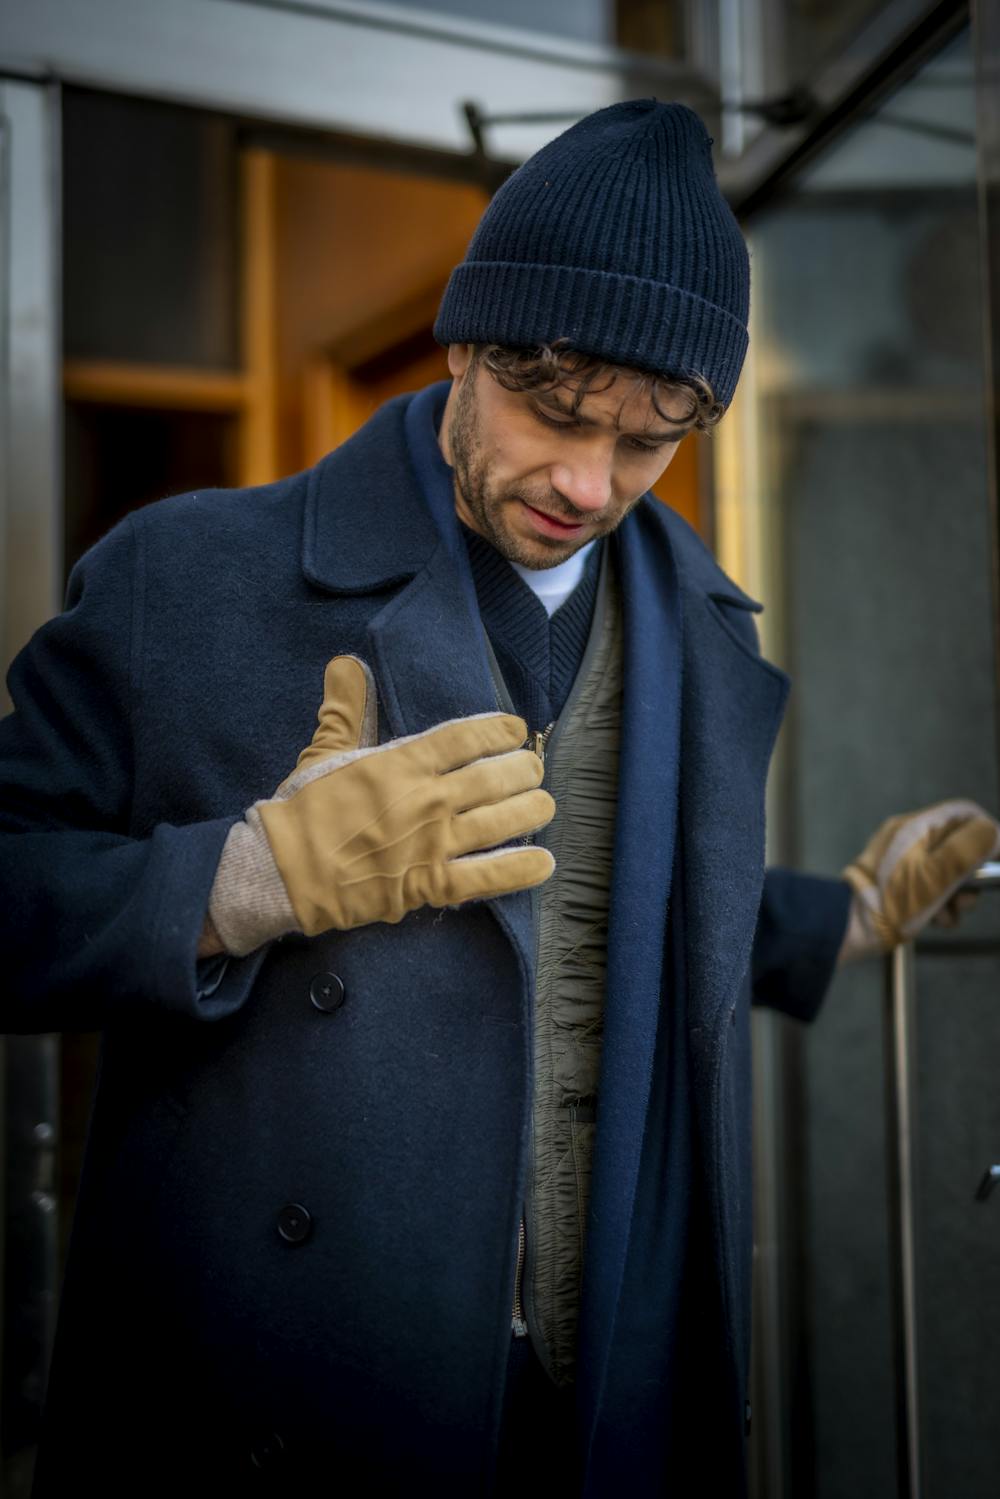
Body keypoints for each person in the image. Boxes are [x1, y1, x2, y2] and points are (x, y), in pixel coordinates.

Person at [2, 99, 997, 1498]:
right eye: (557, 413)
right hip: (292, 1401)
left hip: (600, 1404)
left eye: (649, 442)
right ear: (464, 346)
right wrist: (241, 883)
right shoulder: (186, 580)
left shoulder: (700, 628)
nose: (589, 482)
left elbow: (615, 905)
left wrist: (846, 915)